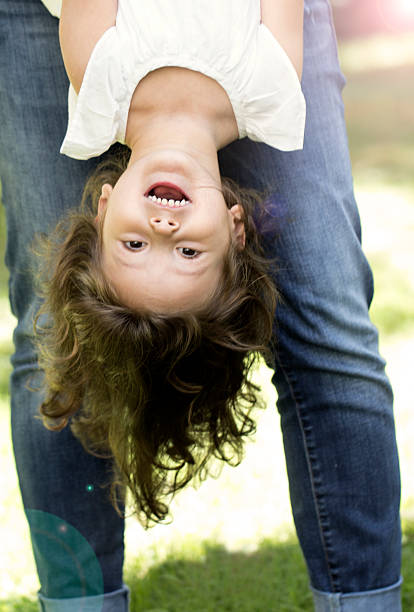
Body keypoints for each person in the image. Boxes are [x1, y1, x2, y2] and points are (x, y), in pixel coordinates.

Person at [0, 1, 402, 611]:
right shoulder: (270, 86)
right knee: (54, 346)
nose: (162, 226)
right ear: (238, 228)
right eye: (187, 252)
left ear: (104, 208)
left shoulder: (98, 83)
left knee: (64, 340)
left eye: (135, 244)